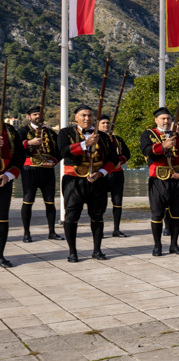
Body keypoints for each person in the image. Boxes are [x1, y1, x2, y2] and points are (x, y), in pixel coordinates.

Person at [58, 104, 116, 262]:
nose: (87, 118)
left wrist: (101, 173)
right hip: (73, 181)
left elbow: (113, 159)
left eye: (90, 116)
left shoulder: (103, 136)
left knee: (97, 216)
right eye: (83, 115)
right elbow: (63, 152)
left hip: (97, 180)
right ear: (76, 117)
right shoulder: (65, 132)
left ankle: (97, 250)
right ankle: (72, 252)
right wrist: (85, 144)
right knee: (71, 216)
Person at [140, 107, 179, 256]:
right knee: (157, 213)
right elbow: (145, 150)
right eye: (163, 118)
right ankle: (157, 246)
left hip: (178, 180)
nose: (166, 121)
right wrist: (163, 146)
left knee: (176, 213)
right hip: (159, 179)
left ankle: (174, 245)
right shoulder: (148, 134)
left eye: (168, 118)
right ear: (156, 120)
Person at [17, 106, 63, 242]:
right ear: (29, 117)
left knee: (50, 201)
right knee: (28, 200)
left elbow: (59, 150)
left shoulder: (50, 133)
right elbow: (16, 146)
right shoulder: (23, 130)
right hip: (29, 170)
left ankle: (52, 232)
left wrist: (54, 161)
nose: (38, 116)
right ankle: (26, 233)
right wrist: (29, 143)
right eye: (35, 114)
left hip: (47, 170)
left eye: (40, 114)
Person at [98, 115, 131, 237]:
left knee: (117, 202)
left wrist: (120, 162)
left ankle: (116, 229)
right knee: (100, 203)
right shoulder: (94, 138)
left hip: (117, 174)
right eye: (103, 123)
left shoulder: (117, 139)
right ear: (98, 125)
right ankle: (99, 230)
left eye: (108, 123)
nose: (106, 125)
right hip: (101, 174)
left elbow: (126, 154)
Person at [0, 120, 25, 268]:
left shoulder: (9, 129)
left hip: (3, 180)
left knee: (2, 220)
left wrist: (8, 175)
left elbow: (20, 155)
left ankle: (0, 254)